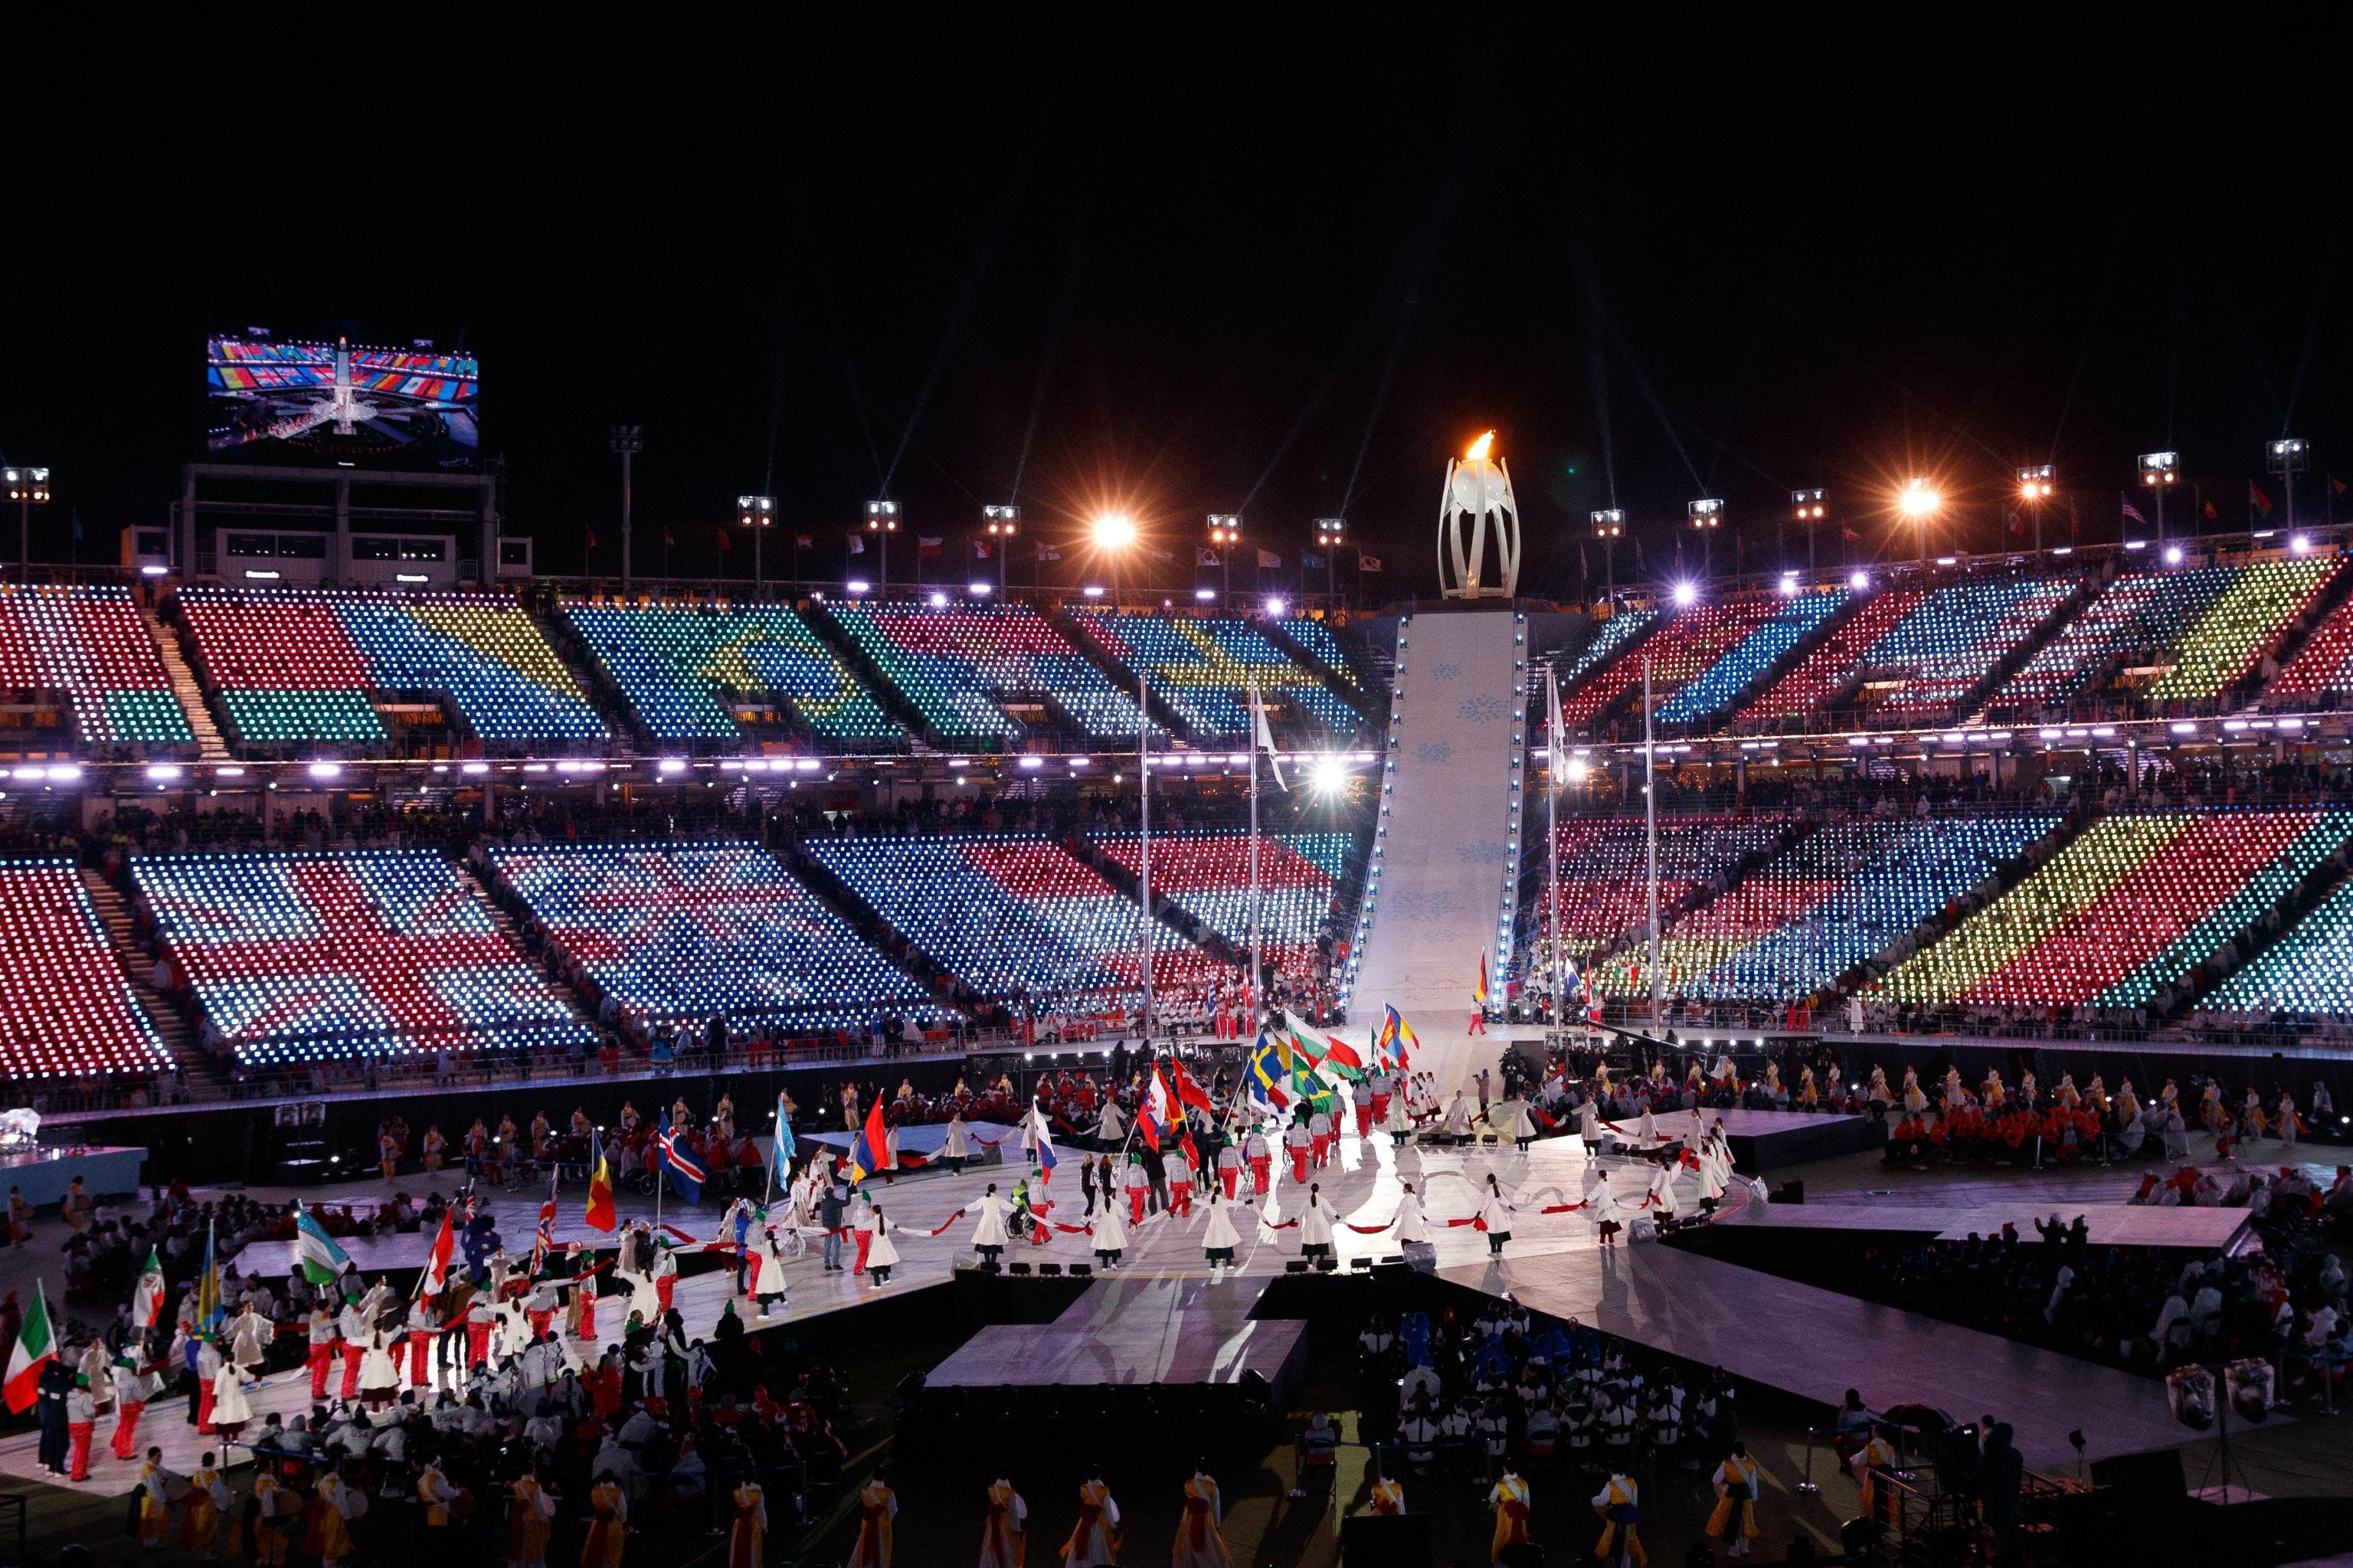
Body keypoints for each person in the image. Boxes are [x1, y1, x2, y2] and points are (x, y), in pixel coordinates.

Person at [1707, 1441, 1761, 1558]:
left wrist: (1724, 1488)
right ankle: (1745, 1548)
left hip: (1730, 1498)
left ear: (1733, 1451)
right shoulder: (1750, 1465)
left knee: (1730, 1521)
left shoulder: (1726, 1464)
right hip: (1745, 1498)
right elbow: (1753, 1486)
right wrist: (1753, 1499)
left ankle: (1734, 1548)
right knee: (1745, 1521)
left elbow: (1716, 1480)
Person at [1173, 1464, 1232, 1568]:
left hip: (1189, 1516)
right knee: (1213, 1545)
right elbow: (1216, 1507)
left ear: (1196, 1469)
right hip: (1206, 1518)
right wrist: (1217, 1525)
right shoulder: (1213, 1486)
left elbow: (1189, 1497)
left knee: (1185, 1541)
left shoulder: (1188, 1484)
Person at [1062, 1475, 1120, 1568]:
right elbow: (1108, 1510)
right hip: (1100, 1521)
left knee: (1083, 1546)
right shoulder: (1103, 1490)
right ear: (1099, 1475)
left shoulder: (1084, 1488)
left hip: (1085, 1521)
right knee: (1100, 1548)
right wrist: (1113, 1526)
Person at [1590, 1469, 1641, 1566]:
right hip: (1629, 1520)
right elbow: (1634, 1502)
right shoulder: (1632, 1481)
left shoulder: (1611, 1485)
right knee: (1627, 1547)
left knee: (1616, 1545)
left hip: (1616, 1521)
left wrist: (1593, 1500)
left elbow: (1601, 1501)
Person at [849, 1471, 898, 1568]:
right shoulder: (888, 1492)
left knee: (865, 1544)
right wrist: (887, 1518)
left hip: (868, 1523)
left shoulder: (865, 1491)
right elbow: (893, 1509)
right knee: (881, 1547)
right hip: (882, 1524)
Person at [509, 1468, 555, 1568]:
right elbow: (540, 1506)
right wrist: (546, 1520)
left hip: (519, 1517)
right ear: (532, 1472)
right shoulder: (536, 1485)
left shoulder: (516, 1484)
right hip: (533, 1518)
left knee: (521, 1543)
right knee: (534, 1545)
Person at [978, 1476, 1026, 1568]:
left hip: (993, 1525)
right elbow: (1015, 1512)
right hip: (1006, 1524)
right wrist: (1017, 1528)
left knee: (992, 1549)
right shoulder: (1010, 1493)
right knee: (1008, 1551)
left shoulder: (992, 1490)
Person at [582, 1471, 628, 1568]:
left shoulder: (595, 1491)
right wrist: (623, 1522)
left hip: (597, 1526)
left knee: (597, 1555)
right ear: (613, 1478)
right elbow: (623, 1512)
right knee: (613, 1556)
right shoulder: (618, 1492)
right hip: (613, 1525)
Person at [1487, 1465, 1532, 1562]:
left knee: (1501, 1533)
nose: (1503, 1469)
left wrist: (1490, 1499)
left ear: (1508, 1470)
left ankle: (1499, 1558)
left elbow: (1493, 1498)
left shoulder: (1500, 1484)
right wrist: (1525, 1512)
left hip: (1506, 1512)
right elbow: (1527, 1500)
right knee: (1521, 1534)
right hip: (1519, 1512)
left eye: (1504, 1468)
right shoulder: (1523, 1483)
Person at [728, 1478, 767, 1568]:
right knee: (753, 1552)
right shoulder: (758, 1493)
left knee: (740, 1549)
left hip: (740, 1525)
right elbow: (761, 1511)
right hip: (752, 1525)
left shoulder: (737, 1493)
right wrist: (764, 1526)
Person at [970, 1183, 1013, 1267]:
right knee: (995, 1242)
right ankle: (993, 1263)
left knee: (985, 1241)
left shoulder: (983, 1199)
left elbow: (973, 1206)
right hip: (995, 1222)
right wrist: (1019, 1209)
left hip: (985, 1222)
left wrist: (962, 1210)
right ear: (995, 1190)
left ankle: (987, 1262)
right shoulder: (998, 1199)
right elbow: (1008, 1206)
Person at [64, 1374, 97, 1481]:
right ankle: (78, 1474)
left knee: (78, 1449)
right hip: (84, 1425)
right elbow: (89, 1412)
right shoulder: (85, 1396)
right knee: (82, 1451)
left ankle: (76, 1472)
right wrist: (95, 1411)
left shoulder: (68, 1395)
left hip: (72, 1425)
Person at [1203, 1187, 1242, 1270]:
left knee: (1212, 1243)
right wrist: (1247, 1202)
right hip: (1224, 1223)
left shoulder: (1210, 1201)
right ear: (1221, 1192)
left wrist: (1191, 1199)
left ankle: (1213, 1265)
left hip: (1214, 1224)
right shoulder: (1223, 1201)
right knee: (1227, 1242)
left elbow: (1200, 1202)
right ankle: (1229, 1264)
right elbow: (1235, 1203)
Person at [1480, 1173, 1515, 1259]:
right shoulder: (1497, 1189)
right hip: (1498, 1212)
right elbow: (1503, 1199)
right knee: (1500, 1230)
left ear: (1488, 1181)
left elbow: (1485, 1204)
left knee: (1491, 1231)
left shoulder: (1489, 1191)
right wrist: (1510, 1207)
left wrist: (1478, 1213)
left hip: (1491, 1213)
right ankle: (1499, 1250)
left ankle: (1493, 1250)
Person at [1300, 1183, 1335, 1263]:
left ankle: (1310, 1264)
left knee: (1310, 1242)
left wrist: (1292, 1220)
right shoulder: (1322, 1199)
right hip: (1320, 1222)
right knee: (1321, 1241)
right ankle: (1322, 1263)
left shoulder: (1307, 1200)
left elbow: (1300, 1212)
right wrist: (1338, 1217)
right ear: (1318, 1189)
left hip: (1310, 1223)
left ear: (1311, 1189)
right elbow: (1330, 1210)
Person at [1091, 1191, 1126, 1270]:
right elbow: (1124, 1214)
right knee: (1115, 1243)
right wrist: (1133, 1221)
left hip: (1103, 1225)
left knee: (1104, 1244)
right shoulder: (1116, 1203)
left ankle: (1105, 1266)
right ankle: (1114, 1263)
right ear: (1113, 1193)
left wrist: (1087, 1224)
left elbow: (1094, 1215)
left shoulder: (1100, 1203)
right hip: (1114, 1225)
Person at [866, 1210, 901, 1286]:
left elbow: (863, 1227)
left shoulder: (873, 1221)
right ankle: (886, 1278)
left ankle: (877, 1284)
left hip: (877, 1244)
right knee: (885, 1260)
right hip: (885, 1243)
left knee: (874, 1263)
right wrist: (897, 1227)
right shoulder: (884, 1219)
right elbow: (891, 1225)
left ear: (874, 1212)